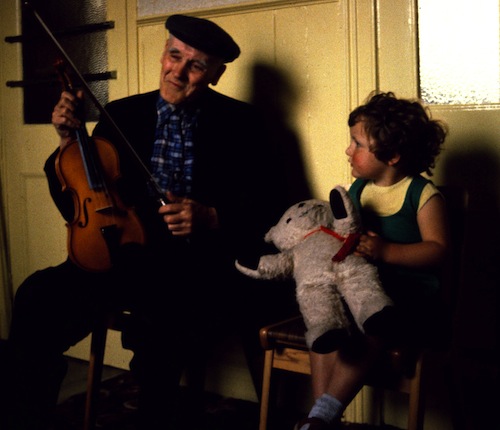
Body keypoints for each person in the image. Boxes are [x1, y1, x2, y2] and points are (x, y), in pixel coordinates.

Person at [0, 15, 298, 430]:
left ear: (216, 73)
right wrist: (69, 142)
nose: (178, 71)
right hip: (120, 253)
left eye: (195, 65)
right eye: (174, 55)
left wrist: (212, 216)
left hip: (197, 264)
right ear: (164, 54)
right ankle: (28, 417)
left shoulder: (243, 124)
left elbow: (275, 206)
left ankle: (156, 413)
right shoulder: (121, 114)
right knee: (37, 297)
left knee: (162, 322)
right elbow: (80, 201)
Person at [295, 92, 449, 430]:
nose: (348, 150)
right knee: (326, 319)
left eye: (357, 143)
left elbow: (439, 249)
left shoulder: (421, 193)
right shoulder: (359, 189)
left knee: (373, 325)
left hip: (409, 297)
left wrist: (387, 252)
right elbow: (343, 228)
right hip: (361, 288)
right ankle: (321, 417)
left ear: (392, 155)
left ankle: (323, 413)